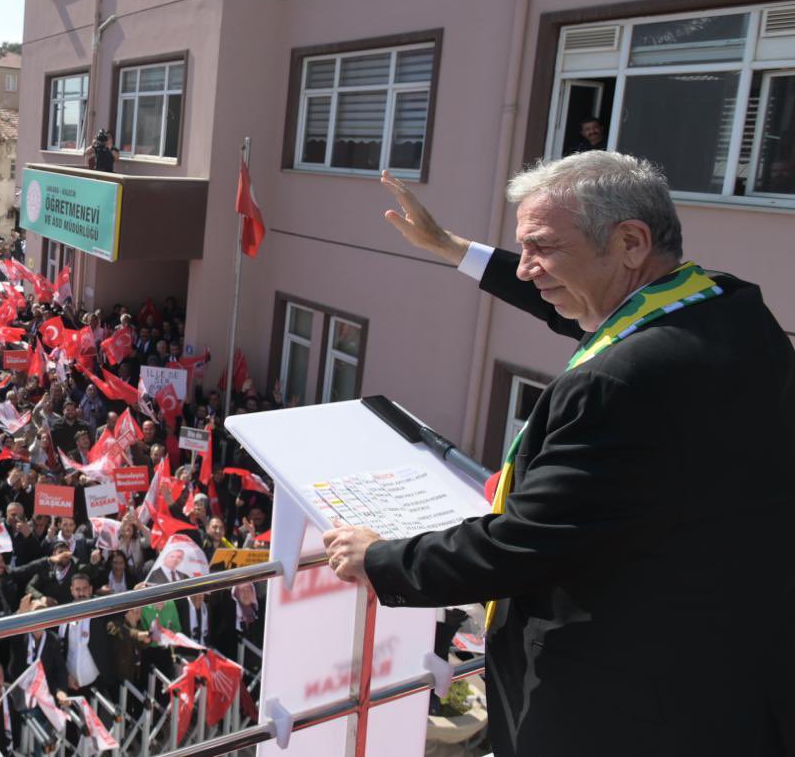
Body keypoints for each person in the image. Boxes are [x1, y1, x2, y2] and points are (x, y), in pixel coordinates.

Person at [324, 156, 795, 756]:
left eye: (541, 247)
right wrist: (448, 246)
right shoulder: (724, 308)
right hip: (725, 673)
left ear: (629, 242)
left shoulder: (620, 384)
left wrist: (382, 560)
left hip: (627, 708)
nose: (527, 269)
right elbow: (589, 314)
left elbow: (525, 544)